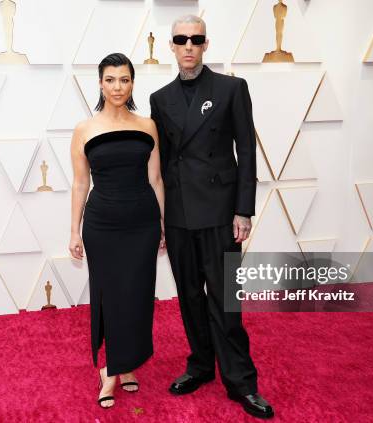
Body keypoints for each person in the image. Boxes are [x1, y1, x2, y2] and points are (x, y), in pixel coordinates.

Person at [149, 15, 274, 419]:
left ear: (205, 44)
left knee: (226, 303)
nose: (188, 46)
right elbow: (162, 163)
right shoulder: (160, 98)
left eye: (195, 39)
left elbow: (246, 151)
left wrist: (244, 210)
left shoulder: (231, 88)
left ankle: (241, 382)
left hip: (221, 214)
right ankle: (201, 366)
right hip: (181, 214)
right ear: (171, 45)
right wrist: (161, 219)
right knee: (189, 299)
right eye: (181, 39)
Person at [69, 53, 165, 409]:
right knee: (110, 295)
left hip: (142, 221)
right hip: (102, 223)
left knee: (138, 294)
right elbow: (80, 183)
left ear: (132, 84)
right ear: (100, 83)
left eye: (124, 80)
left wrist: (163, 225)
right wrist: (74, 231)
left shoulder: (147, 125)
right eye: (110, 80)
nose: (117, 87)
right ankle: (109, 371)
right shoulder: (85, 129)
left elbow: (156, 179)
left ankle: (127, 365)